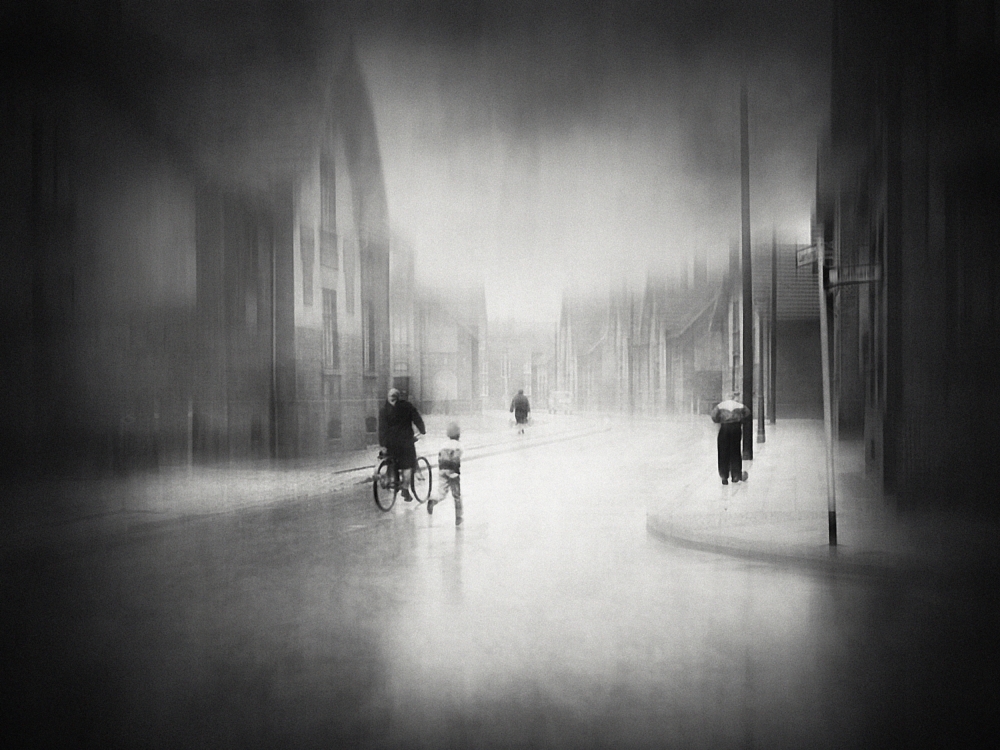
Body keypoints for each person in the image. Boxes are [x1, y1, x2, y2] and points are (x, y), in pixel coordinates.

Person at [378, 387, 426, 501]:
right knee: (408, 465)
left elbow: (381, 429)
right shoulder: (407, 406)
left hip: (390, 443)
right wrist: (422, 430)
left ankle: (393, 480)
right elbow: (417, 418)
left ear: (388, 398)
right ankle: (405, 489)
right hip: (406, 442)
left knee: (392, 461)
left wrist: (383, 444)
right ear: (398, 397)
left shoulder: (383, 410)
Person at [710, 392, 751, 485]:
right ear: (733, 397)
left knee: (723, 451)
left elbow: (714, 416)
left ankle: (724, 476)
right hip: (736, 428)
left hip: (724, 428)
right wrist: (741, 420)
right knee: (735, 451)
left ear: (726, 397)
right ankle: (735, 475)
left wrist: (720, 420)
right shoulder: (739, 405)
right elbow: (747, 413)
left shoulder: (721, 405)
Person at [427, 421, 463, 526]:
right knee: (456, 495)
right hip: (453, 471)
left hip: (442, 469)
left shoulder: (443, 445)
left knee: (442, 492)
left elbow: (440, 456)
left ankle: (433, 501)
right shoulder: (458, 445)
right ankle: (458, 517)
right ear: (458, 434)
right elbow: (457, 458)